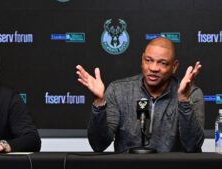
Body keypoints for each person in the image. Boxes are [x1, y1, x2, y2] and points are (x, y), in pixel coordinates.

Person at [76, 37, 204, 152]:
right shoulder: (118, 90)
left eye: (162, 63)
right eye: (149, 60)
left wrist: (183, 100)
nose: (153, 68)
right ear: (142, 60)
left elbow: (192, 146)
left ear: (174, 66)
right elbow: (98, 145)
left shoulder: (191, 94)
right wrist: (99, 102)